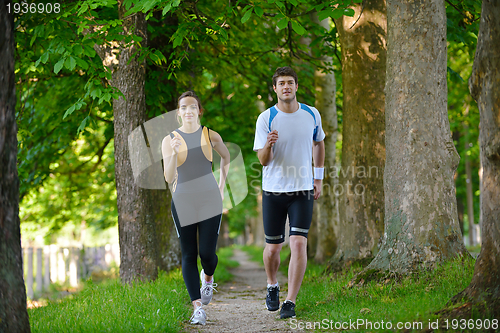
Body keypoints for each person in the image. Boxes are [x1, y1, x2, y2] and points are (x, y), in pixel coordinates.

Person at [253, 67, 325, 319]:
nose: (286, 87)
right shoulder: (266, 118)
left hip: (303, 188)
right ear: (274, 88)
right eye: (281, 83)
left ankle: (290, 301)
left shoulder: (311, 114)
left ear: (296, 86)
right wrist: (268, 145)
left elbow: (319, 143)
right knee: (274, 248)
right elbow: (263, 161)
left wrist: (318, 179)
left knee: (298, 242)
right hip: (273, 190)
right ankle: (272, 285)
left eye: (290, 83)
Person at [162, 91, 230, 325]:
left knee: (207, 255)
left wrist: (221, 186)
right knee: (189, 255)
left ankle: (208, 279)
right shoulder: (169, 139)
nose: (188, 110)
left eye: (193, 107)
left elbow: (226, 157)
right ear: (178, 113)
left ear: (199, 111)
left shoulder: (210, 135)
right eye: (183, 107)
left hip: (210, 200)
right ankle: (198, 307)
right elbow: (168, 176)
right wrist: (172, 151)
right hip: (183, 201)